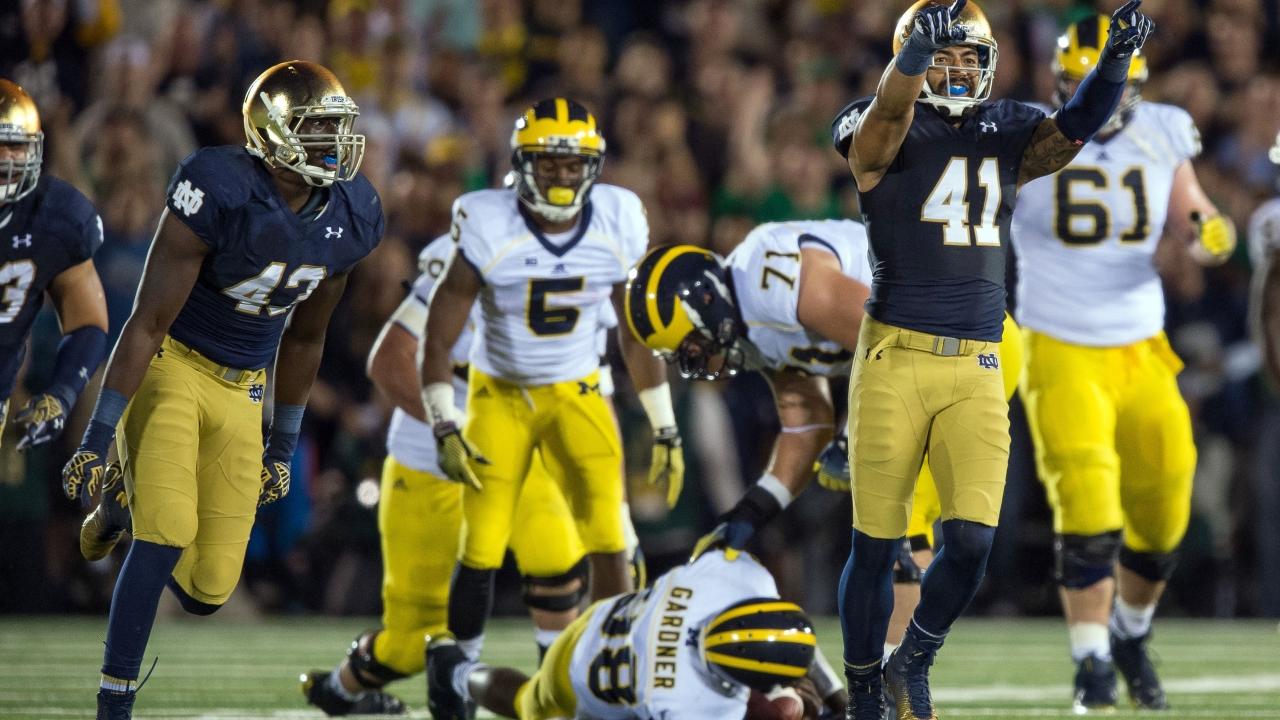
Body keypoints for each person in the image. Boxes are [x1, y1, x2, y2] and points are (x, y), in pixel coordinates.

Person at [828, 0, 1153, 717]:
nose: (955, 70)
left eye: (967, 57)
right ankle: (862, 691)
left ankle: (912, 660)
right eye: (940, 56)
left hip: (978, 360)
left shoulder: (1005, 128)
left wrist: (1114, 62)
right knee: (877, 544)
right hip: (894, 357)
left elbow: (1075, 127)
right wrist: (913, 59)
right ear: (911, 56)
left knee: (973, 541)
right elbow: (883, 124)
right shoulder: (876, 120)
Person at [61, 60, 384, 720]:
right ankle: (113, 702)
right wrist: (98, 435)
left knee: (209, 590)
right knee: (167, 531)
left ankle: (124, 504)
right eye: (316, 129)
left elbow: (305, 339)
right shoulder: (219, 187)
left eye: (336, 128)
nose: (333, 143)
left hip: (244, 390)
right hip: (174, 365)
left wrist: (283, 446)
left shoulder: (352, 213)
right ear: (273, 132)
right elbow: (147, 322)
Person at [624, 219, 1020, 678]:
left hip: (963, 344)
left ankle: (897, 684)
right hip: (936, 356)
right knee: (896, 526)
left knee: (900, 527)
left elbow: (895, 339)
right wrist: (749, 513)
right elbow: (806, 426)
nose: (697, 358)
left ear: (708, 300)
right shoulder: (750, 323)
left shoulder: (772, 284)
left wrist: (851, 437)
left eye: (692, 344)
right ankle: (896, 678)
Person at [301, 235, 639, 716]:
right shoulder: (472, 253)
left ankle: (562, 706)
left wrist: (617, 507)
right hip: (433, 460)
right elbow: (389, 361)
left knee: (559, 575)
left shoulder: (584, 267)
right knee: (412, 642)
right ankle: (340, 688)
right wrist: (456, 429)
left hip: (524, 457)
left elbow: (595, 395)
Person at [1011, 14, 1235, 712]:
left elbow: (1193, 214)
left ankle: (1131, 633)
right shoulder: (1027, 134)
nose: (1101, 95)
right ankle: (1091, 663)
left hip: (1140, 345)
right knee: (1087, 500)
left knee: (1167, 502)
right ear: (1058, 81)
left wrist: (1208, 235)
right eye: (1081, 81)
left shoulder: (1162, 130)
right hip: (1057, 344)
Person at [418, 97, 682, 666]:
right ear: (522, 165)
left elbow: (636, 334)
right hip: (499, 394)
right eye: (549, 163)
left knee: (611, 535)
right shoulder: (487, 221)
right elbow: (437, 338)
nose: (561, 175)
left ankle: (611, 662)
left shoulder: (617, 219)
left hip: (577, 390)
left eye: (572, 164)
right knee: (481, 544)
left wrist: (664, 424)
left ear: (593, 167)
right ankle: (458, 667)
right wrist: (444, 423)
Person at [425, 548, 832, 720]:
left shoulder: (732, 579)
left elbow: (783, 637)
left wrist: (837, 699)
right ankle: (453, 670)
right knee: (526, 701)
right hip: (581, 675)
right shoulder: (684, 702)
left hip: (616, 617)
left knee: (789, 703)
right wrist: (804, 702)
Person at [0, 78, 108, 452]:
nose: (5, 158)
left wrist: (62, 393)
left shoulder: (54, 216)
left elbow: (87, 321)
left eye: (15, 146)